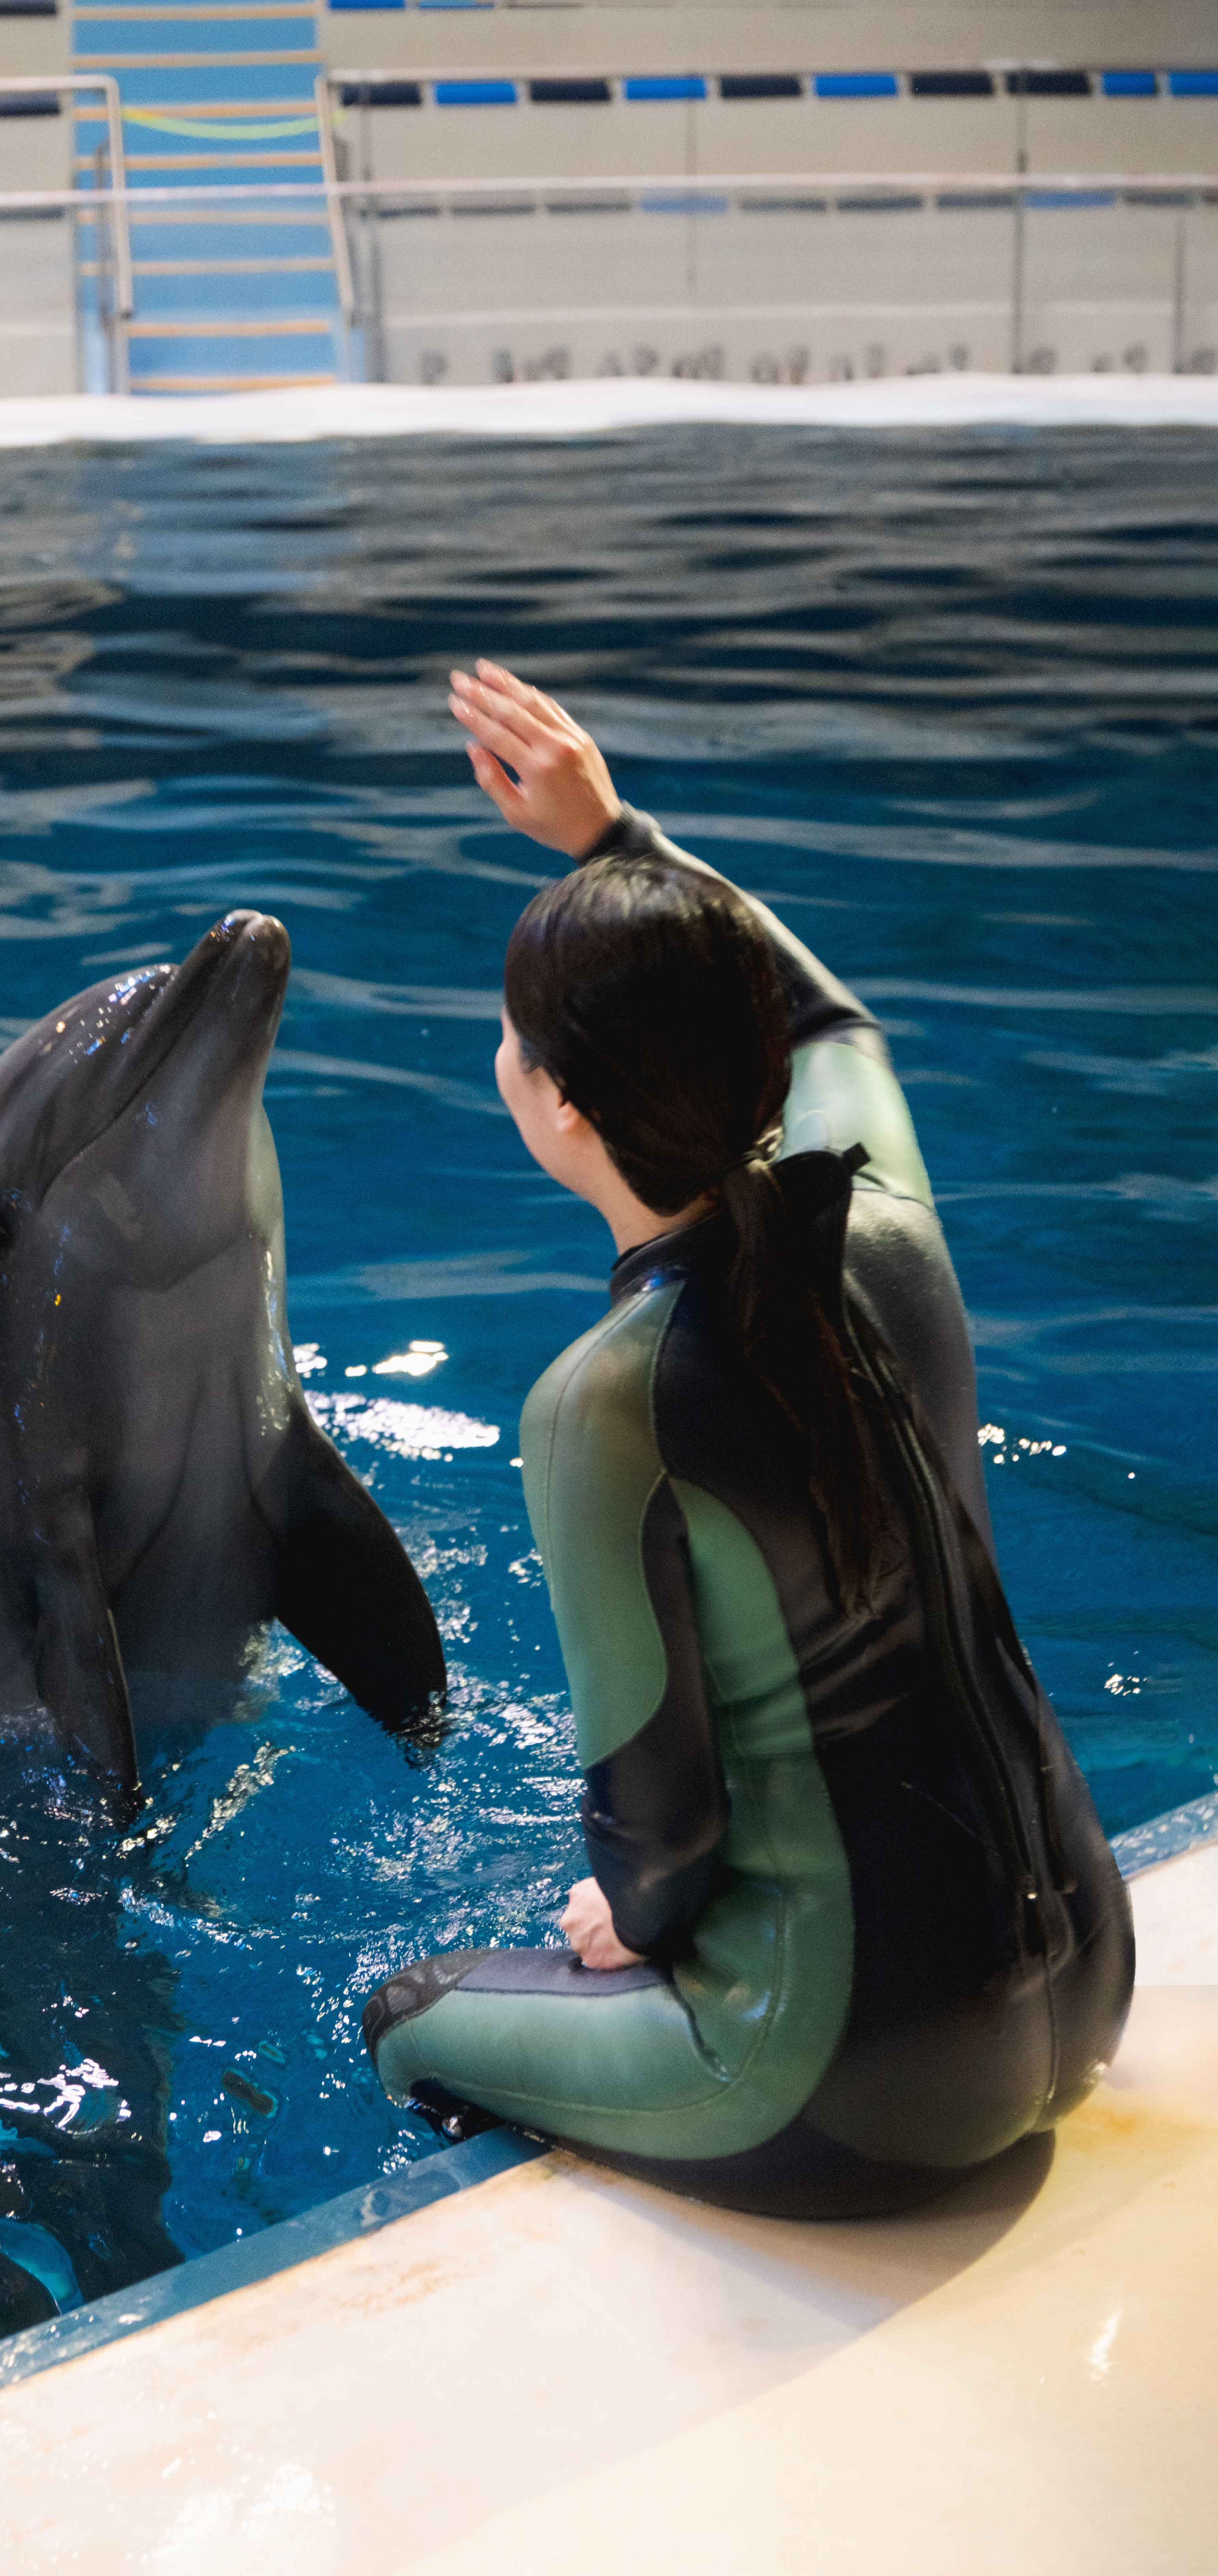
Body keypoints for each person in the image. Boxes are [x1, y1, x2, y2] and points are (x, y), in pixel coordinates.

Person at [361, 662, 1134, 2218]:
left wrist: (635, 1928)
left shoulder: (604, 1396)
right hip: (1087, 1968)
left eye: (512, 1041)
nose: (499, 1059)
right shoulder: (891, 1222)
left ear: (563, 1107)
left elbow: (653, 1824)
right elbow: (825, 1008)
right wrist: (614, 832)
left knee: (404, 2018)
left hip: (861, 2077)